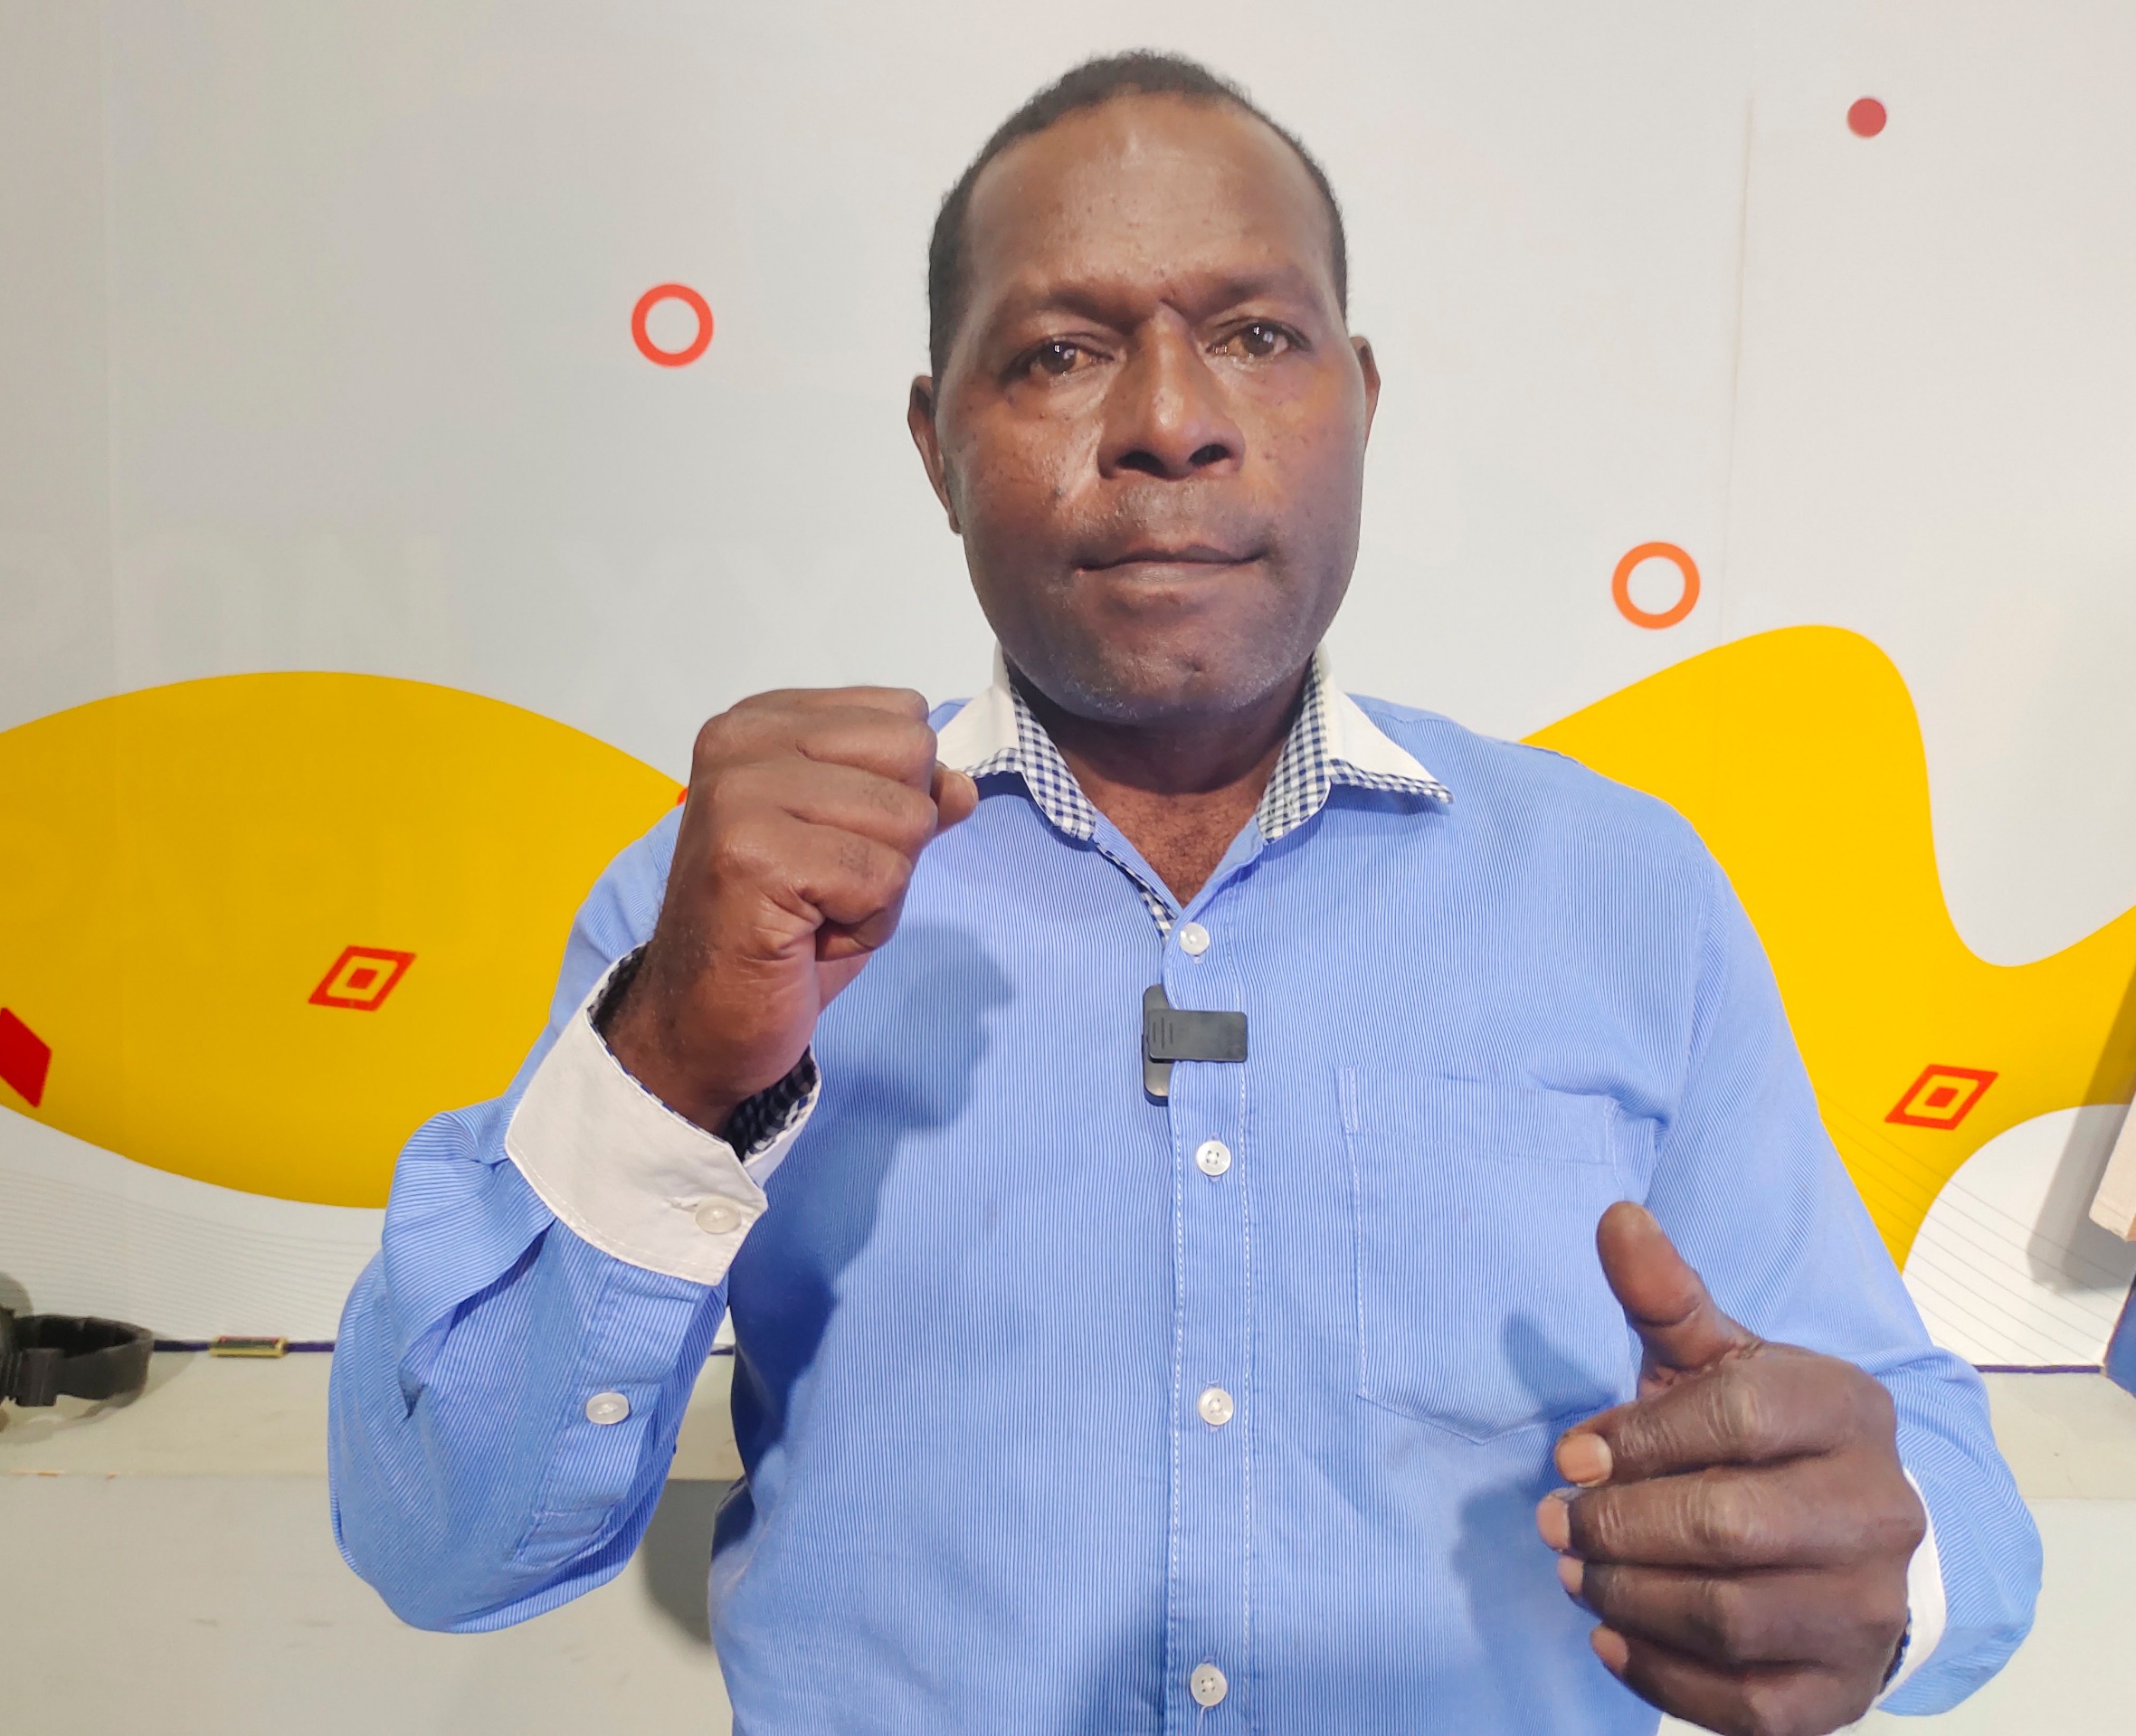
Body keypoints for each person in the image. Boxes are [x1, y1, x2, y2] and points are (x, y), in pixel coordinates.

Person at [328, 52, 2039, 1736]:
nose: (1167, 421)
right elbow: (437, 1542)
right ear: (935, 445)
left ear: (1361, 401)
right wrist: (670, 1074)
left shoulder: (1618, 891)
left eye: (1255, 337)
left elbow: (1933, 1480)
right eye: (1060, 353)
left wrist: (1875, 1573)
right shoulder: (721, 908)